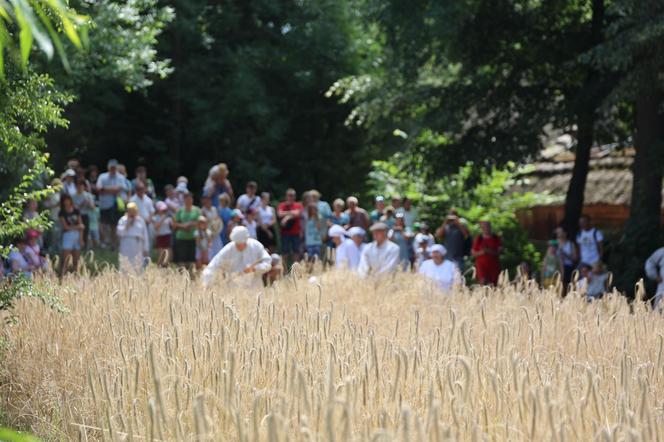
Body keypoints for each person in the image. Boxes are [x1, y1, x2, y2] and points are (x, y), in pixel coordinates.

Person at [201, 226, 272, 289]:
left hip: (254, 287)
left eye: (241, 243)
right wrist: (206, 282)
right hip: (234, 289)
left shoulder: (256, 246)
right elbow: (213, 265)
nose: (238, 245)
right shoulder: (229, 249)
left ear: (246, 240)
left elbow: (267, 262)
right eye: (237, 243)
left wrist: (255, 268)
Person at [96, 159, 126, 249]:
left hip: (116, 205)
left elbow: (120, 189)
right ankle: (104, 243)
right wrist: (113, 190)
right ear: (108, 168)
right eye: (111, 168)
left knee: (114, 225)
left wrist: (105, 190)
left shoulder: (120, 177)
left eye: (114, 168)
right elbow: (99, 189)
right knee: (103, 225)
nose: (112, 169)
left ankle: (113, 244)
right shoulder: (102, 176)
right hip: (104, 205)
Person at [116, 202, 150, 273]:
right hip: (126, 243)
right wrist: (128, 224)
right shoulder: (123, 220)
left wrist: (146, 248)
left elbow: (145, 235)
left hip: (138, 244)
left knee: (137, 263)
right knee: (125, 262)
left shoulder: (140, 220)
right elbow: (119, 232)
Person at [173, 191, 201, 266]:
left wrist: (191, 224)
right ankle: (181, 276)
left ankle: (191, 276)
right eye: (187, 199)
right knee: (181, 259)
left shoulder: (197, 210)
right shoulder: (180, 210)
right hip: (181, 238)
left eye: (190, 199)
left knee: (192, 260)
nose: (189, 201)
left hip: (193, 238)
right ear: (184, 200)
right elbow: (174, 224)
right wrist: (184, 226)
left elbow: (201, 223)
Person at [59, 194, 84, 276]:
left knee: (76, 259)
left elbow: (81, 226)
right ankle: (63, 274)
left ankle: (76, 275)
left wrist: (81, 238)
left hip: (77, 235)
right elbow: (65, 227)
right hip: (67, 235)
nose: (66, 202)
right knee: (66, 258)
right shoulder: (62, 212)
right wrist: (77, 227)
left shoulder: (76, 210)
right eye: (65, 200)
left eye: (68, 200)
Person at [278, 189, 304, 266]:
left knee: (296, 252)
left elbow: (298, 213)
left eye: (292, 195)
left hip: (295, 232)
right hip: (285, 233)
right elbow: (279, 214)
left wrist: (286, 218)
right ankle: (284, 272)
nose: (291, 197)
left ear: (295, 196)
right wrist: (292, 213)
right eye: (289, 195)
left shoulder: (298, 205)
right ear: (286, 196)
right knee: (285, 252)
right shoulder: (282, 205)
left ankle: (295, 271)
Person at [472, 221, 503, 285]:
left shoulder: (496, 238)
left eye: (487, 227)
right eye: (484, 227)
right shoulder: (479, 239)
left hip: (494, 266)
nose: (486, 229)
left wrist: (489, 251)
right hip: (481, 265)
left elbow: (500, 252)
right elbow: (473, 253)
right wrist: (482, 252)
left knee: (492, 285)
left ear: (490, 227)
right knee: (482, 281)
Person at [72, 178, 95, 249]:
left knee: (85, 232)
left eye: (81, 185)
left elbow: (93, 207)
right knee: (76, 232)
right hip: (76, 216)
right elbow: (73, 208)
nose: (79, 187)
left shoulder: (88, 195)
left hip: (85, 215)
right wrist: (81, 204)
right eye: (78, 185)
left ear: (84, 186)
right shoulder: (73, 196)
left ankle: (84, 247)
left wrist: (89, 203)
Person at [153, 201, 173, 266]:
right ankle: (160, 267)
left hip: (167, 235)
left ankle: (166, 267)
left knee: (168, 254)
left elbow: (172, 226)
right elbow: (156, 227)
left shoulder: (169, 218)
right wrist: (163, 218)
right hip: (160, 236)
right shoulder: (155, 218)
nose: (163, 211)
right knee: (160, 255)